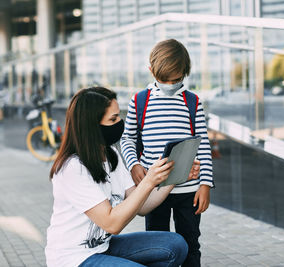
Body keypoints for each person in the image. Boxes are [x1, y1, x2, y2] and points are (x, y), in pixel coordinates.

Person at [45, 87, 196, 267]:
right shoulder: (73, 168)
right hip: (74, 259)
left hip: (103, 247)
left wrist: (175, 177)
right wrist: (148, 181)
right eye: (113, 119)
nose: (120, 123)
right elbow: (112, 224)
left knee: (175, 245)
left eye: (119, 116)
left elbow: (143, 206)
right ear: (92, 126)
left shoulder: (111, 155)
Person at [120, 39, 214, 267]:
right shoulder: (139, 101)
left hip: (189, 190)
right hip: (153, 191)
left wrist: (205, 185)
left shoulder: (192, 102)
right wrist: (134, 165)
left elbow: (202, 145)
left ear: (185, 73)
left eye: (177, 79)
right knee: (157, 247)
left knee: (191, 244)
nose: (170, 84)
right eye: (164, 80)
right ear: (151, 71)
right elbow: (127, 138)